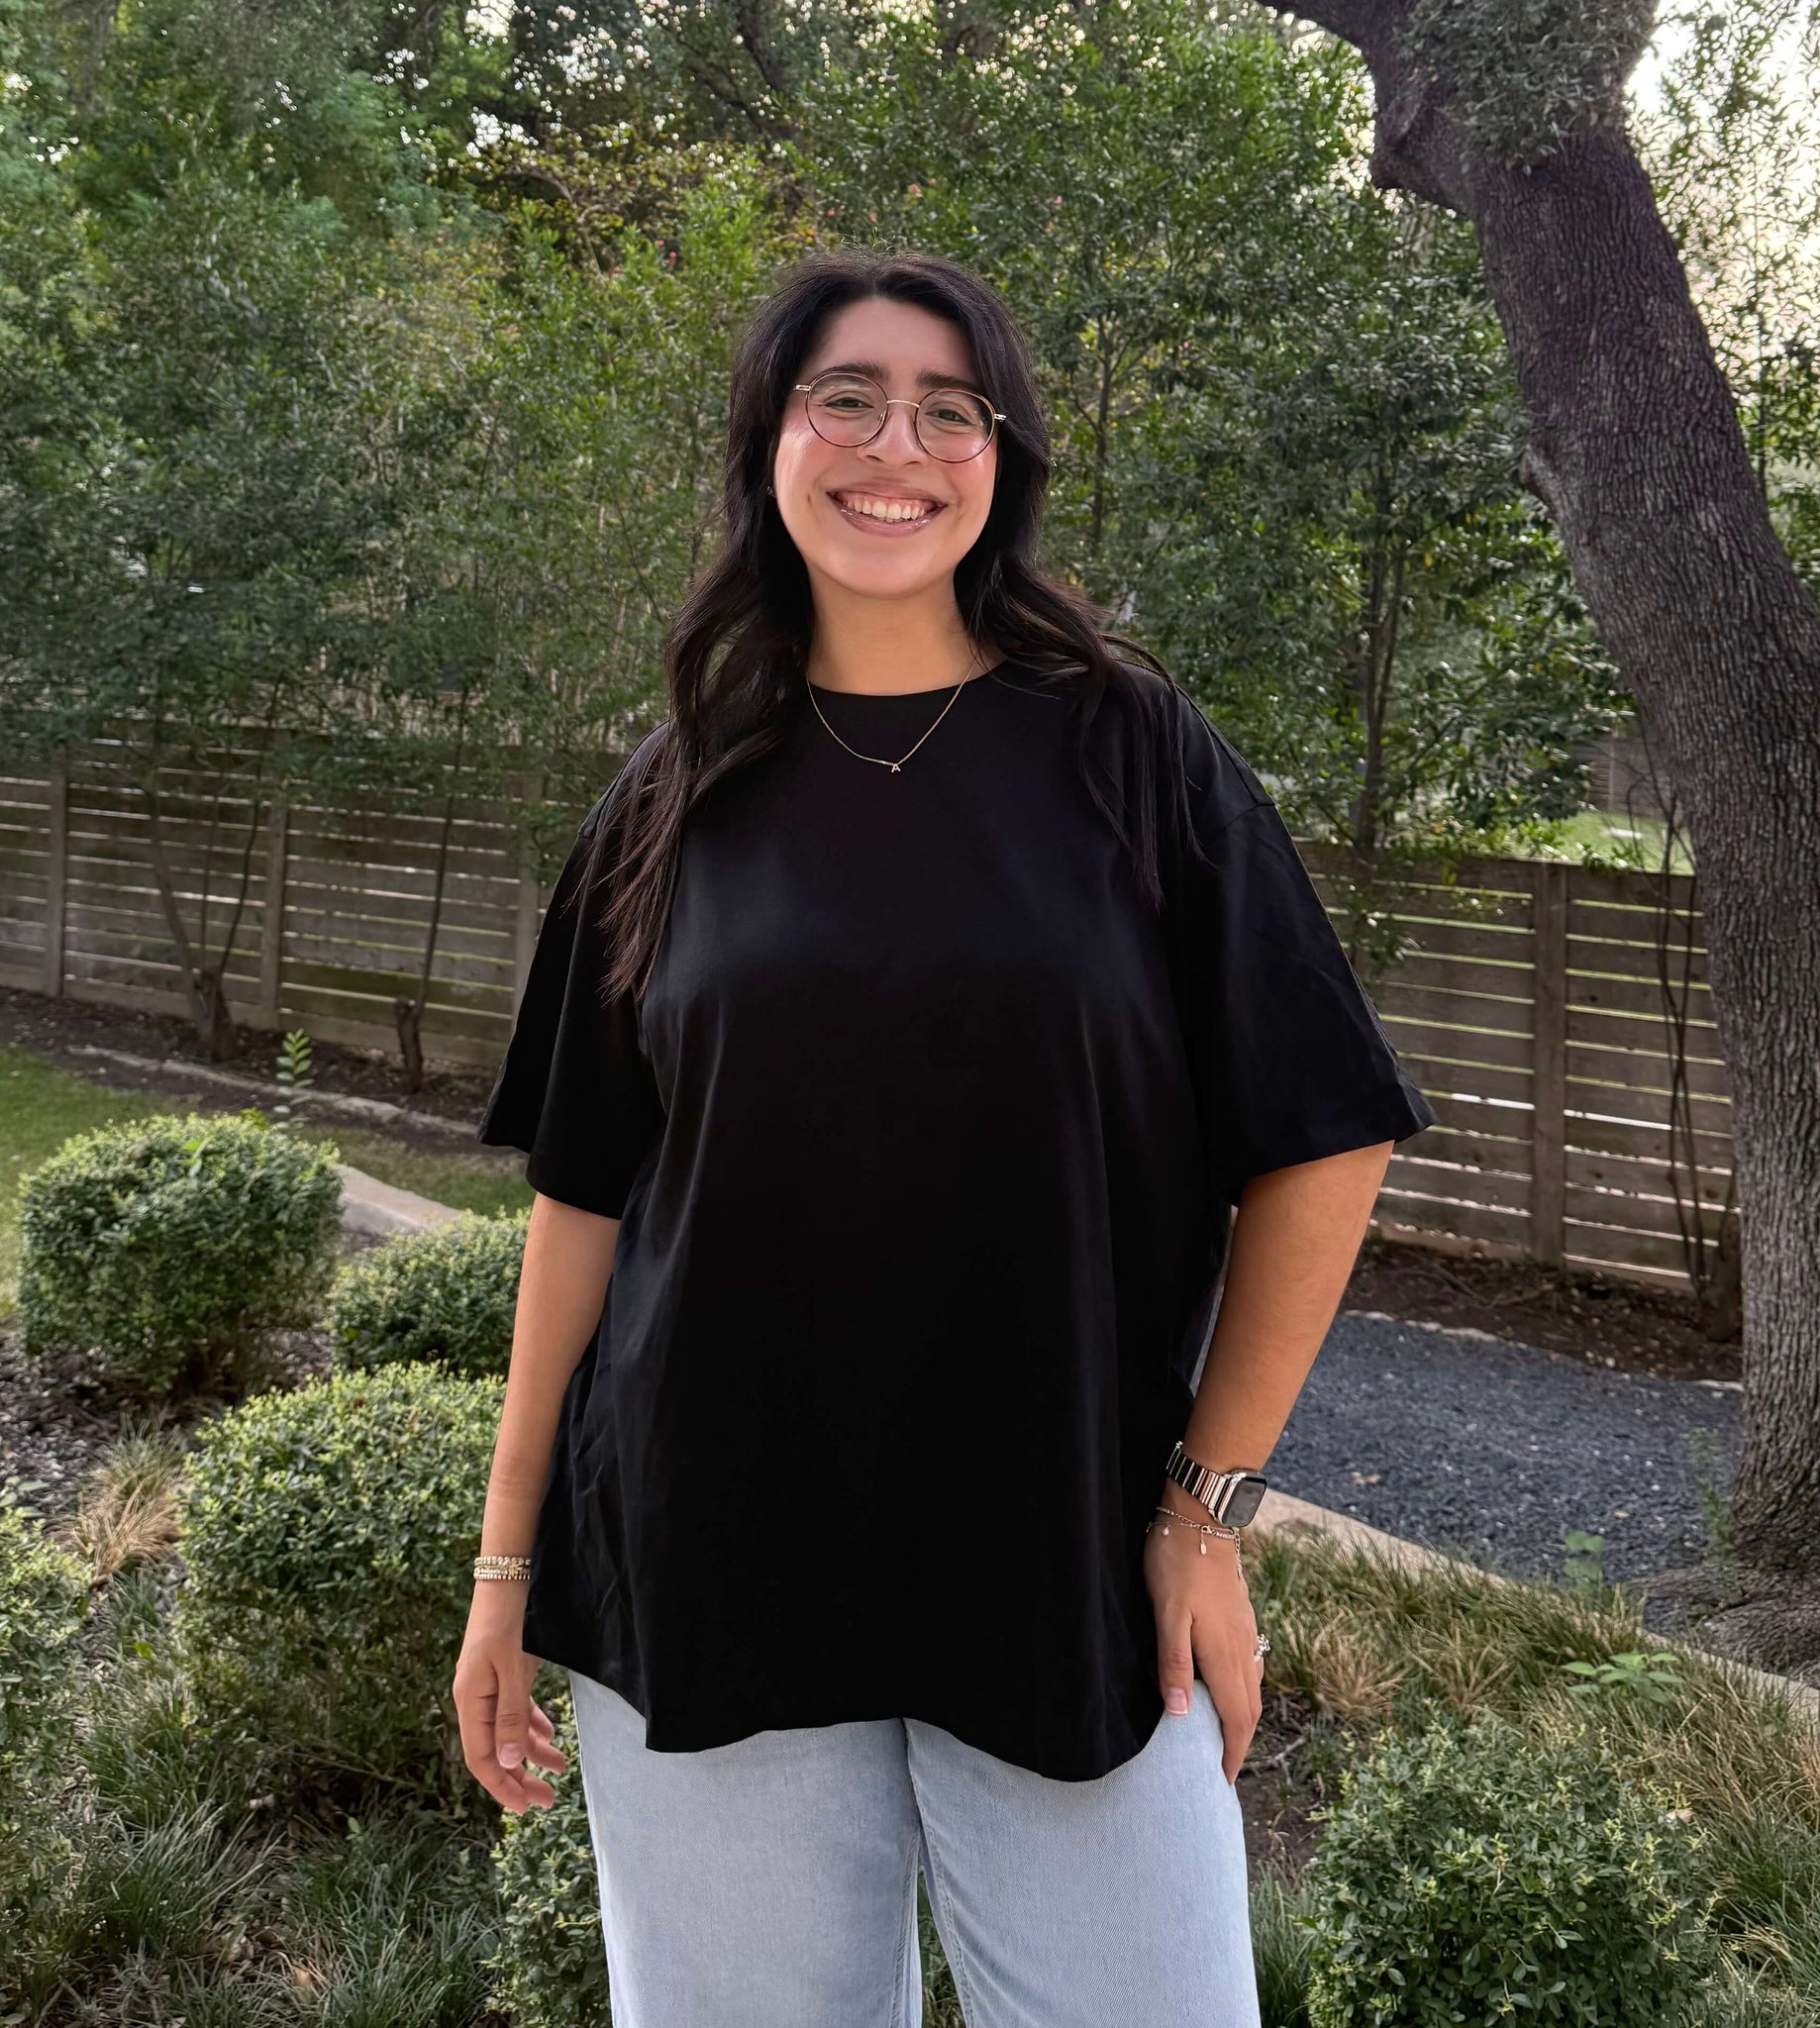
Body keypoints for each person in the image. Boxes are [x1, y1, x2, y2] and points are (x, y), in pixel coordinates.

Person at [454, 248, 1434, 2028]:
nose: (893, 446)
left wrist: (1207, 1512)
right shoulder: (674, 791)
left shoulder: (1131, 755)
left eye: (947, 409)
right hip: (706, 1549)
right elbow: (586, 1198)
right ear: (770, 439)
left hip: (1064, 1554)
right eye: (845, 398)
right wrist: (506, 1564)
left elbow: (1325, 1136)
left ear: (1002, 459)